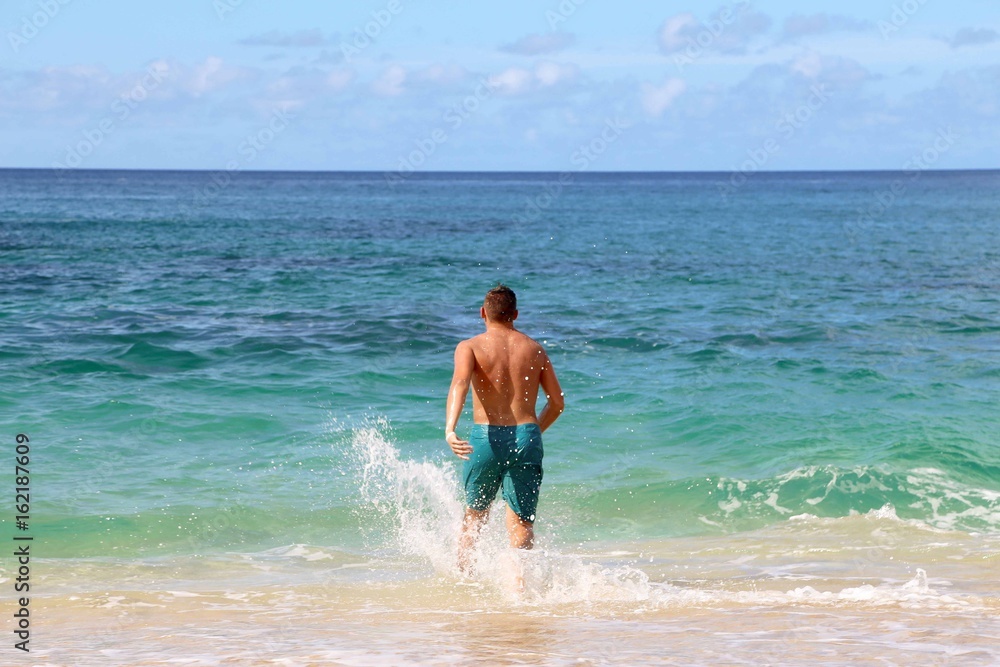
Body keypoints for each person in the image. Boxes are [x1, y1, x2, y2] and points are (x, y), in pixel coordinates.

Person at [445, 284, 565, 573]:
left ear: (483, 313)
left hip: (485, 438)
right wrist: (533, 431)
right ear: (515, 314)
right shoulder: (535, 349)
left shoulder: (470, 347)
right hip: (527, 434)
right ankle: (519, 592)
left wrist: (450, 430)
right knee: (521, 523)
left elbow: (460, 384)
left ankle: (464, 581)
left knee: (475, 516)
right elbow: (557, 403)